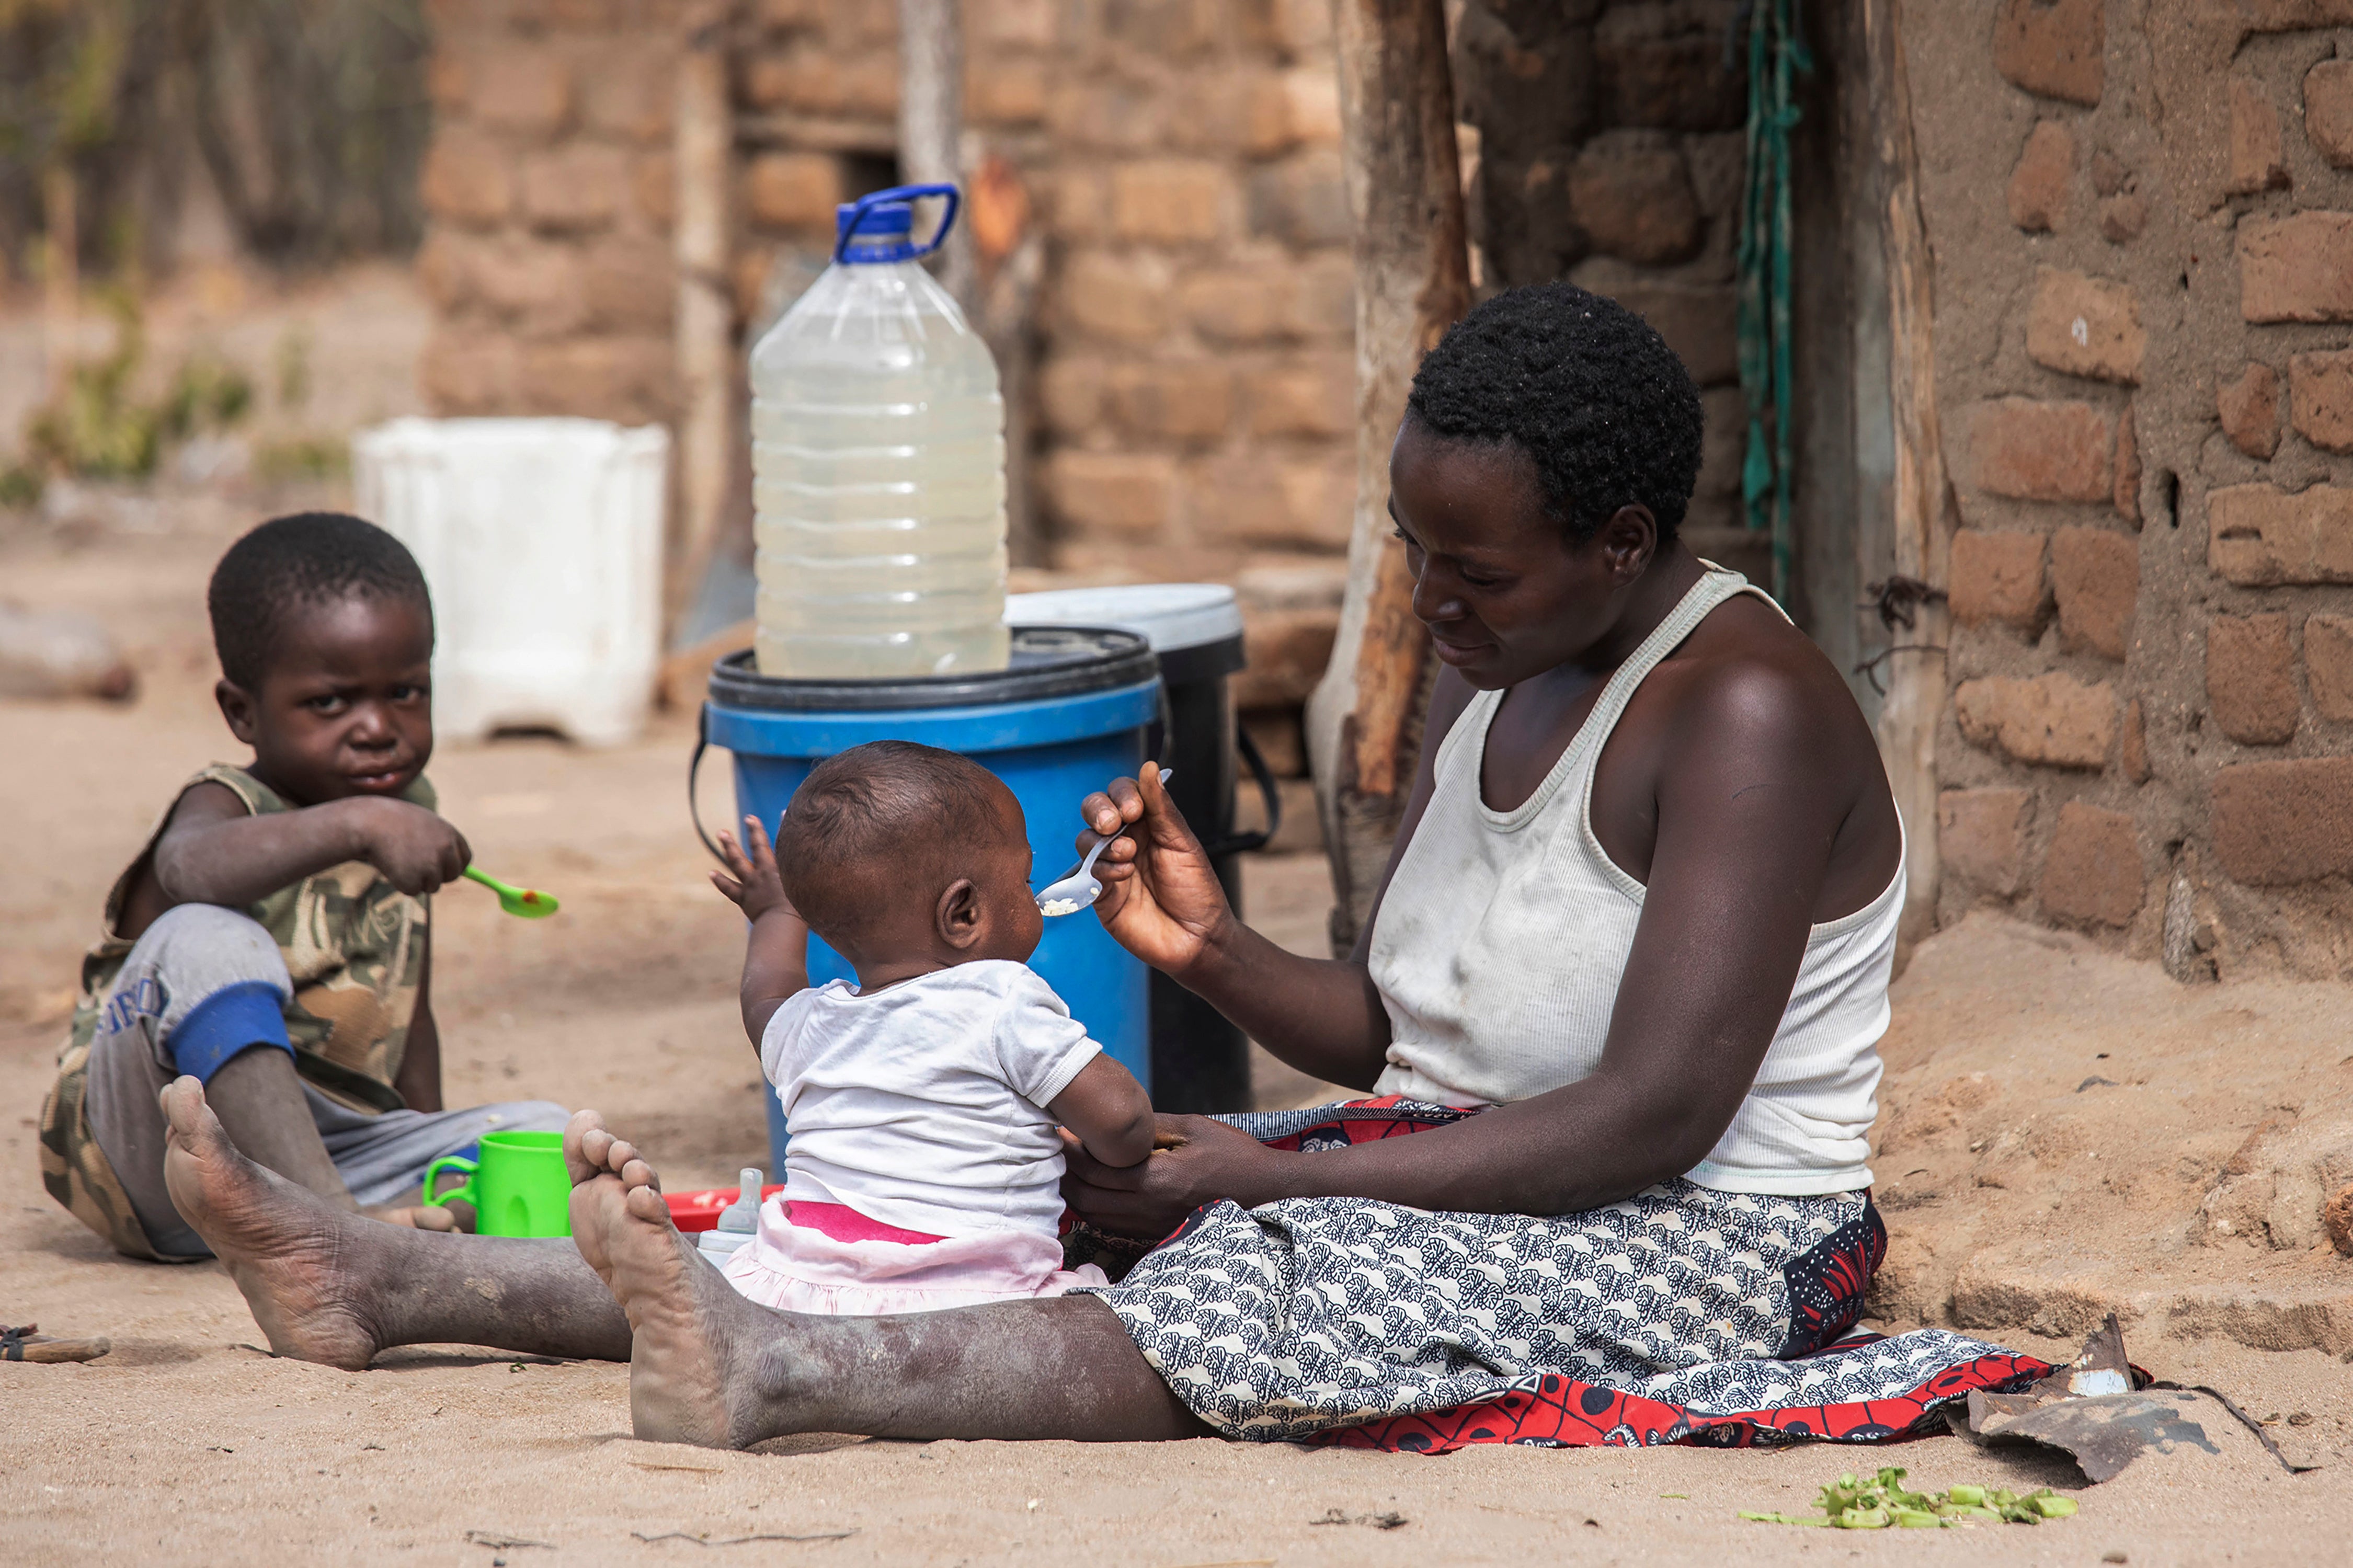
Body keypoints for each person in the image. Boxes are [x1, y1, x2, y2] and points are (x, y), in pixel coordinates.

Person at [155, 285, 2030, 1450]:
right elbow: (1405, 1036)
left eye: (1476, 572)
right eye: (1414, 555)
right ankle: (389, 1276)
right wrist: (1213, 957)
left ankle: (781, 1373)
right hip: (1488, 1169)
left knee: (1248, 1275)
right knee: (990, 1181)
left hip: (1713, 1239)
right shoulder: (1510, 677)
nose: (1428, 610)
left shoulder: (1748, 707)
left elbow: (1650, 1116)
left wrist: (1271, 1179)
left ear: (1623, 541)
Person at [38, 512, 569, 1261]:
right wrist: (360, 822)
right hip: (159, 1155)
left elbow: (406, 1007)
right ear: (242, 711)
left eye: (407, 691)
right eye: (330, 702)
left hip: (316, 1157)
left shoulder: (405, 813)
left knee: (547, 1133)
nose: (378, 726)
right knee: (208, 938)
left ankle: (342, 1220)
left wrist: (425, 1139)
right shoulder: (225, 805)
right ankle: (339, 1236)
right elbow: (187, 872)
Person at [703, 740, 1152, 1312]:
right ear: (963, 913)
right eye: (1024, 880)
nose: (1034, 897)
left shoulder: (804, 1023)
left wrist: (775, 913)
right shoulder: (999, 998)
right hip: (972, 1297)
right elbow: (1124, 1123)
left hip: (803, 1290)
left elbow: (764, 988)